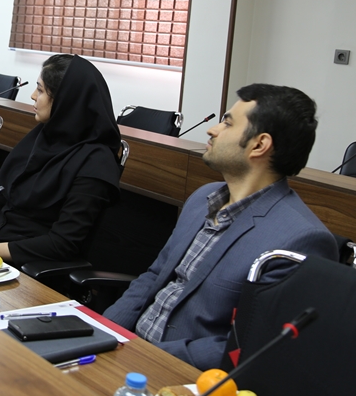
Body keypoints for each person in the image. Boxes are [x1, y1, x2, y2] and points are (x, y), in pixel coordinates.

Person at [102, 84, 338, 371]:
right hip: (129, 354)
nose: (212, 130)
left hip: (184, 375)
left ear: (259, 145)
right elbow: (154, 276)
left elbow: (255, 345)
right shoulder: (203, 198)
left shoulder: (300, 240)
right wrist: (104, 333)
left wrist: (147, 357)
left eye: (227, 123)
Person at [0, 54, 121, 267]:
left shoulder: (95, 163)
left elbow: (63, 243)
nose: (32, 96)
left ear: (65, 100)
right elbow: (0, 194)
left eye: (40, 90)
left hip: (25, 261)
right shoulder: (43, 136)